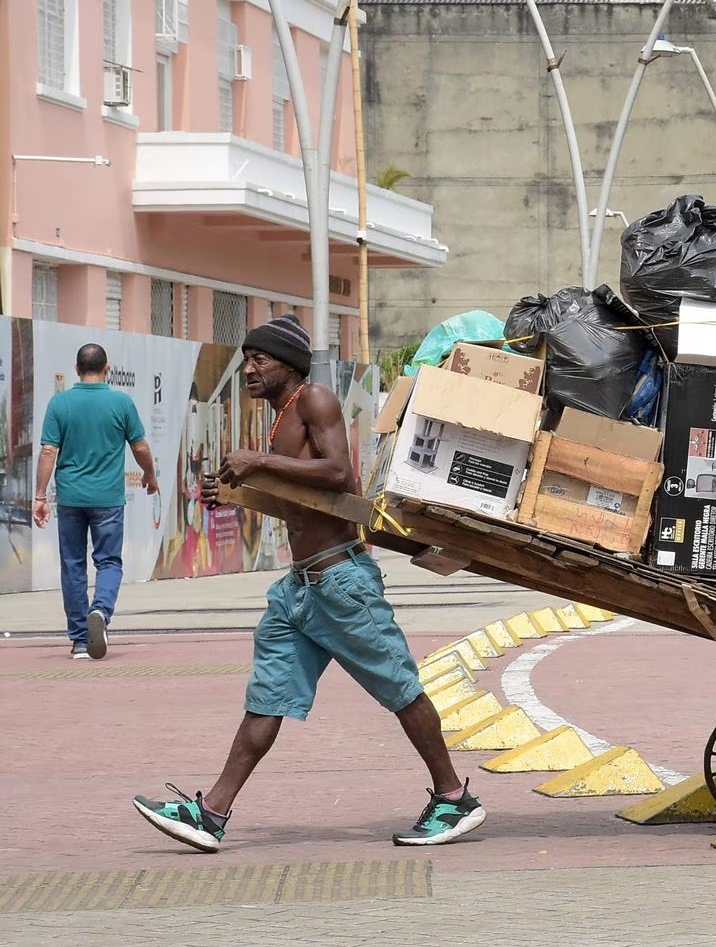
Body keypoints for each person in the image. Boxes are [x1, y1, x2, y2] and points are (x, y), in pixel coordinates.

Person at [133, 316, 486, 852]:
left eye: (261, 360)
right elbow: (303, 506)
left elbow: (340, 474)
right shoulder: (280, 419)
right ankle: (211, 813)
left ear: (289, 365)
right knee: (267, 697)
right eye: (247, 358)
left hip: (341, 580)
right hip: (300, 590)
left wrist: (258, 461)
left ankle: (454, 797)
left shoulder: (314, 398)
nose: (249, 369)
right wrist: (238, 495)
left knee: (399, 687)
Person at [32, 343, 160, 660]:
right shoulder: (121, 402)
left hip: (71, 498)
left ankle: (79, 640)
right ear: (108, 369)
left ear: (76, 369)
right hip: (108, 499)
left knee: (72, 565)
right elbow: (140, 446)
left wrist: (39, 496)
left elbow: (49, 451)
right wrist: (150, 475)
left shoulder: (60, 403)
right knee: (108, 562)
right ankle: (100, 611)